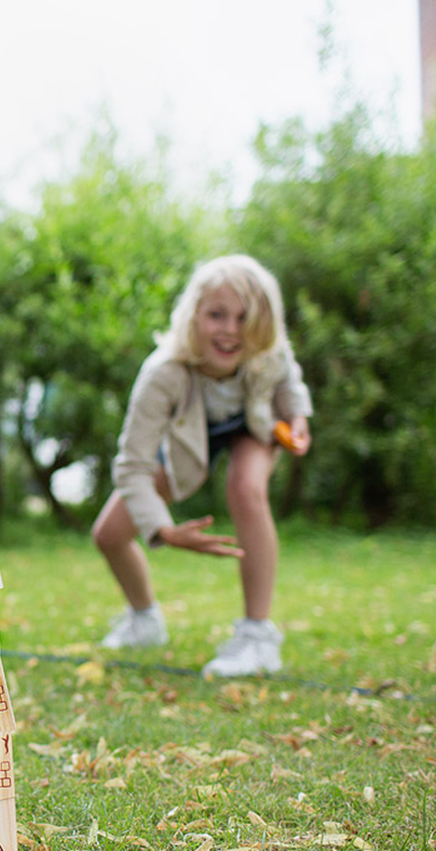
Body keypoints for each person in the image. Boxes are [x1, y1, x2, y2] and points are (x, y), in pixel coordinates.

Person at [91, 255, 312, 677]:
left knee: (245, 488)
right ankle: (144, 620)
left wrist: (297, 418)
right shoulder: (162, 373)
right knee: (108, 534)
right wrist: (164, 530)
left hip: (254, 425)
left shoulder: (267, 349)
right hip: (189, 442)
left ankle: (257, 637)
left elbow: (289, 378)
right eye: (217, 315)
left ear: (263, 322)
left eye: (244, 318)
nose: (231, 329)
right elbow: (133, 466)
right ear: (193, 315)